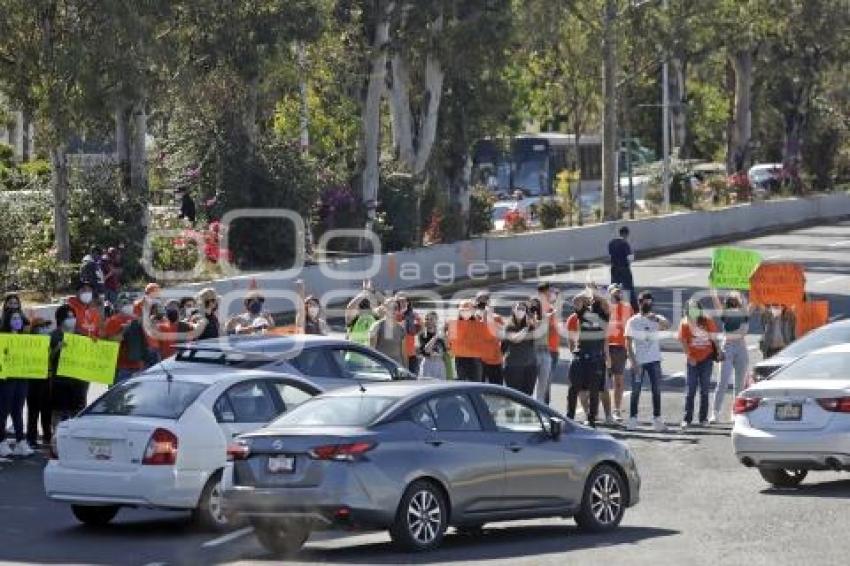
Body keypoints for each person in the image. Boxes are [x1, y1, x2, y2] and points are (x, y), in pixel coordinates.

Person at [625, 291, 671, 432]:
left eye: (650, 302)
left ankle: (657, 419)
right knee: (636, 390)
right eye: (645, 302)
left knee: (656, 390)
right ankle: (633, 419)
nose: (648, 304)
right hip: (639, 361)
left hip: (654, 360)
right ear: (639, 303)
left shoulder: (656, 318)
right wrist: (633, 362)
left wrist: (655, 320)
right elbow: (628, 342)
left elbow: (667, 325)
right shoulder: (633, 321)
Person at [566, 288, 610, 427]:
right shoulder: (584, 313)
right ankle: (570, 418)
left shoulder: (604, 315)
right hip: (581, 355)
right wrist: (586, 292)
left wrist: (596, 294)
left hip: (596, 357)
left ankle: (591, 420)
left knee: (594, 391)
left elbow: (605, 303)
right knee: (574, 388)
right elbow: (575, 301)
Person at [678, 299, 722, 429]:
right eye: (691, 308)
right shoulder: (685, 323)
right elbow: (684, 341)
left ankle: (703, 418)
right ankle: (687, 419)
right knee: (690, 390)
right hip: (693, 360)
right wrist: (689, 356)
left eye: (695, 308)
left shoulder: (707, 320)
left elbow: (713, 337)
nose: (694, 310)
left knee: (704, 390)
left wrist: (718, 351)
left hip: (706, 358)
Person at [47, 305, 89, 433]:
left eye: (73, 317)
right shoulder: (53, 336)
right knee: (59, 411)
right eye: (68, 317)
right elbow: (45, 359)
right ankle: (57, 436)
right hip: (59, 382)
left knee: (77, 411)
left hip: (78, 382)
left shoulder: (80, 335)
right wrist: (57, 348)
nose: (72, 320)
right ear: (60, 319)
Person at [711, 290, 750, 423]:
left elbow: (754, 301)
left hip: (741, 348)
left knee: (740, 383)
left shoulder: (744, 312)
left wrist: (756, 288)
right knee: (723, 381)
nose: (733, 300)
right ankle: (715, 413)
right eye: (731, 298)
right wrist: (713, 291)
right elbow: (716, 303)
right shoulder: (726, 314)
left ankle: (735, 411)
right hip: (728, 347)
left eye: (736, 298)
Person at [0, 309, 35, 457]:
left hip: (22, 377)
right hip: (7, 379)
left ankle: (21, 442)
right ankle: (1, 441)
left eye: (19, 318)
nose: (17, 321)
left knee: (18, 410)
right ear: (7, 320)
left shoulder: (26, 338)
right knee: (4, 410)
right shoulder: (3, 337)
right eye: (14, 318)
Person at [103, 294, 147, 383]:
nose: (127, 305)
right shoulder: (113, 321)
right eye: (123, 302)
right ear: (118, 305)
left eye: (129, 302)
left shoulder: (138, 320)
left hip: (138, 367)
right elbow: (110, 343)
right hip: (121, 367)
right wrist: (124, 331)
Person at [606, 284, 633, 422]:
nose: (618, 294)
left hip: (621, 347)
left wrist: (630, 348)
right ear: (609, 293)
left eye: (620, 292)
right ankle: (605, 411)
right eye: (615, 292)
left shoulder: (628, 308)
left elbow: (631, 329)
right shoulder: (604, 307)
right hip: (606, 347)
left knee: (618, 380)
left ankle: (616, 410)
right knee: (604, 381)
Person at [25, 317, 54, 448]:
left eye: (45, 326)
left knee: (47, 409)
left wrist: (57, 348)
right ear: (34, 329)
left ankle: (47, 436)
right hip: (33, 379)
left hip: (47, 377)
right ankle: (31, 438)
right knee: (33, 410)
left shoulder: (48, 341)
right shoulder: (29, 342)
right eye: (40, 326)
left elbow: (51, 358)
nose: (44, 329)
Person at [502, 302, 537, 395]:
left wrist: (533, 324)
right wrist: (526, 328)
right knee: (514, 396)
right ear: (514, 310)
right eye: (519, 309)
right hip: (514, 366)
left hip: (530, 367)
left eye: (523, 309)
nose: (521, 311)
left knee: (527, 396)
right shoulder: (509, 326)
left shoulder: (531, 327)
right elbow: (515, 339)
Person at [538, 283, 563, 405]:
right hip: (544, 350)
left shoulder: (552, 309)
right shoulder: (542, 308)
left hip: (553, 350)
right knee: (544, 383)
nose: (555, 295)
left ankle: (544, 409)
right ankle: (542, 409)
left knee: (546, 383)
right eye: (553, 292)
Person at [446, 300, 483, 382]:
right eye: (463, 310)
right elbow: (450, 344)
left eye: (468, 310)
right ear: (459, 311)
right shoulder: (454, 325)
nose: (465, 312)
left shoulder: (478, 324)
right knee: (460, 385)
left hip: (475, 360)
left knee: (476, 385)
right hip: (460, 360)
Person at [529, 297, 554, 404]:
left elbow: (547, 330)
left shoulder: (545, 318)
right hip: (532, 352)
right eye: (532, 305)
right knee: (530, 383)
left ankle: (541, 405)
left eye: (537, 305)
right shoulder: (526, 319)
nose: (535, 308)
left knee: (543, 383)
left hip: (545, 352)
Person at [476, 291, 505, 386]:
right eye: (480, 300)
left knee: (497, 389)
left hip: (495, 359)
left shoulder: (497, 318)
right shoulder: (473, 318)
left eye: (485, 299)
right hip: (479, 360)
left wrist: (489, 316)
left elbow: (501, 334)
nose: (482, 302)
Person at [369, 299, 406, 366]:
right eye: (389, 307)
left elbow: (403, 352)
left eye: (395, 308)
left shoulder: (401, 328)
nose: (393, 310)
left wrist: (406, 368)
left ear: (398, 310)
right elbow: (371, 350)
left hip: (397, 367)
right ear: (384, 309)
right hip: (381, 367)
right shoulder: (376, 326)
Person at [609, 226, 638, 310]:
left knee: (614, 288)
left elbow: (611, 255)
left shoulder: (611, 243)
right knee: (629, 288)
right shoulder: (625, 243)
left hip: (614, 268)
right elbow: (630, 258)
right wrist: (633, 255)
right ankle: (635, 308)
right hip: (624, 269)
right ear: (626, 234)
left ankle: (613, 307)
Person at [345, 281, 383, 346]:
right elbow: (350, 307)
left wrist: (370, 291)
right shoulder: (354, 319)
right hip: (356, 354)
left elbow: (388, 305)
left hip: (367, 354)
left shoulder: (376, 317)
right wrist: (367, 292)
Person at [396, 293, 422, 374]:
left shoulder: (414, 315)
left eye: (404, 301)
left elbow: (420, 329)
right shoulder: (393, 315)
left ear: (408, 302)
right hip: (398, 354)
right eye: (399, 301)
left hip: (410, 353)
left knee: (412, 377)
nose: (402, 303)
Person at [417, 312, 448, 380]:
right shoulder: (422, 334)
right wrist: (436, 337)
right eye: (426, 319)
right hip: (428, 363)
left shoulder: (442, 334)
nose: (428, 321)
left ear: (436, 320)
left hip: (439, 363)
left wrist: (445, 334)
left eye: (431, 319)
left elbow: (447, 349)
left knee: (441, 387)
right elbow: (426, 350)